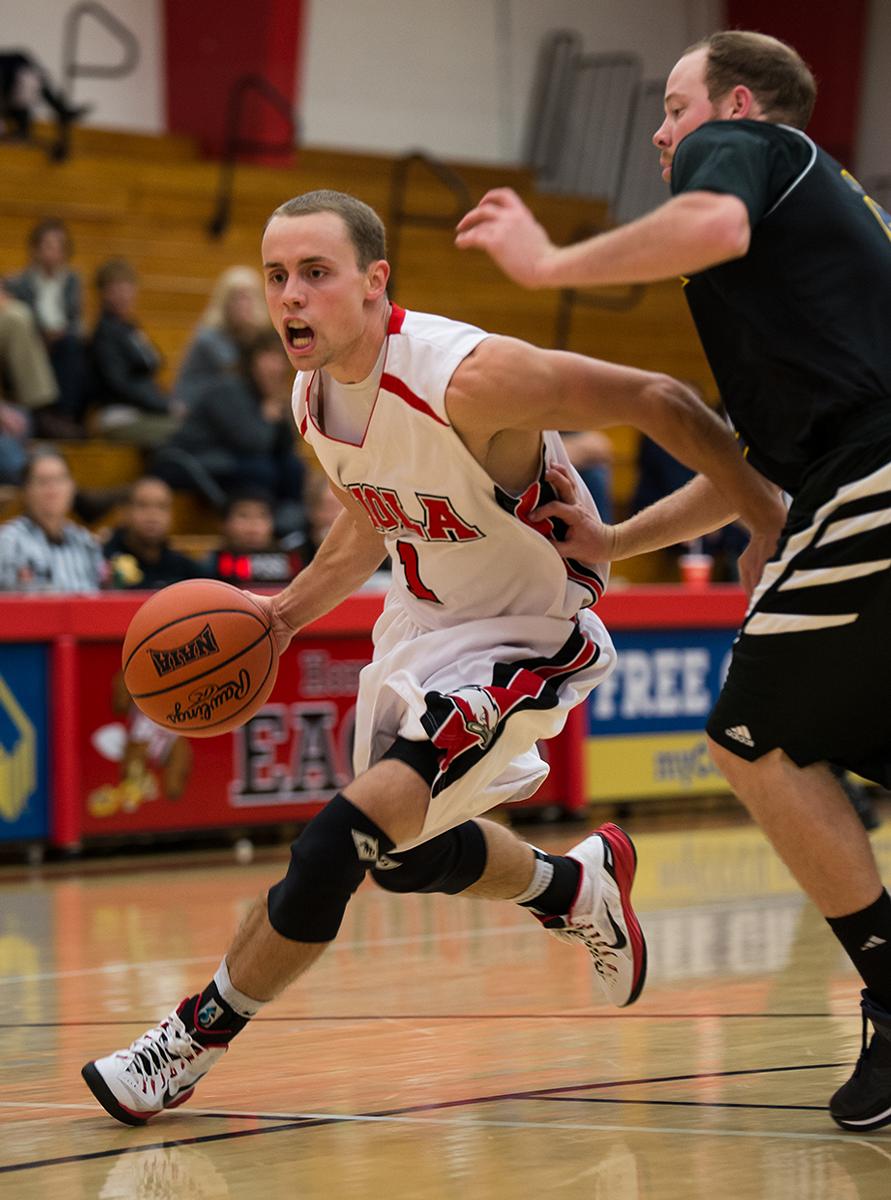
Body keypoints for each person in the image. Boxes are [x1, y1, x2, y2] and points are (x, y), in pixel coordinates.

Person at [81, 188, 782, 1126]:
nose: (291, 296)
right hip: (427, 622)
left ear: (375, 283)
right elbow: (376, 513)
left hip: (529, 630)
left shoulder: (464, 375)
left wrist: (758, 520)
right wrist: (284, 615)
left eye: (316, 274)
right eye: (277, 276)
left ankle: (185, 1045)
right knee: (401, 858)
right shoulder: (312, 394)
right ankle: (573, 886)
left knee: (335, 842)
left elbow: (658, 399)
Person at [457, 29, 891, 1132]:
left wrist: (550, 266)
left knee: (753, 735)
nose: (660, 130)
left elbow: (712, 219)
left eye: (674, 104)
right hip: (856, 471)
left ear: (738, 103)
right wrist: (619, 543)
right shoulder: (808, 239)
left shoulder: (746, 152)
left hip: (879, 473)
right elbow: (756, 448)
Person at [153, 330, 305, 538]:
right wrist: (269, 416)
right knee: (260, 469)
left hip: (228, 458)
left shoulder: (265, 394)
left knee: (293, 466)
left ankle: (290, 526)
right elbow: (251, 442)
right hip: (191, 459)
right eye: (269, 356)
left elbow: (286, 446)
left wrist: (278, 415)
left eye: (281, 358)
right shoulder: (228, 389)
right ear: (252, 359)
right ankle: (263, 525)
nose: (276, 366)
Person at [8, 217, 89, 432]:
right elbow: (18, 324)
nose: (54, 252)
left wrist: (61, 334)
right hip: (33, 342)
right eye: (48, 245)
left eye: (59, 246)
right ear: (35, 249)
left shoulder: (72, 281)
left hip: (64, 342)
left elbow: (77, 320)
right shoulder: (17, 282)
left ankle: (65, 415)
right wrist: (43, 335)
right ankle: (43, 413)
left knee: (73, 344)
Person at [90, 259, 179, 449]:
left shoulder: (131, 328)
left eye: (127, 287)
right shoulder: (105, 333)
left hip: (146, 411)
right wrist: (165, 406)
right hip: (121, 415)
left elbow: (154, 362)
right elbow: (119, 384)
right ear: (104, 293)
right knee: (185, 433)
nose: (123, 295)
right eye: (116, 288)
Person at [0, 447, 104, 591]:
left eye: (60, 480)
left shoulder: (86, 542)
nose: (52, 489)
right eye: (42, 481)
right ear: (25, 490)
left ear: (72, 486)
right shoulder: (8, 542)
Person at [173, 266, 271, 410]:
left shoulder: (259, 335)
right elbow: (237, 372)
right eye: (237, 298)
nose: (243, 305)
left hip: (224, 405)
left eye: (248, 298)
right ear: (224, 302)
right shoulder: (209, 336)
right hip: (195, 406)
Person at [103, 475, 202, 589]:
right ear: (125, 512)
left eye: (161, 507)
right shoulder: (104, 561)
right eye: (142, 505)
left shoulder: (184, 568)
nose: (152, 515)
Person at [205, 488, 304, 587]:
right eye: (243, 516)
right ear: (224, 523)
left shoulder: (294, 560)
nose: (253, 527)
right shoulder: (210, 566)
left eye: (262, 516)